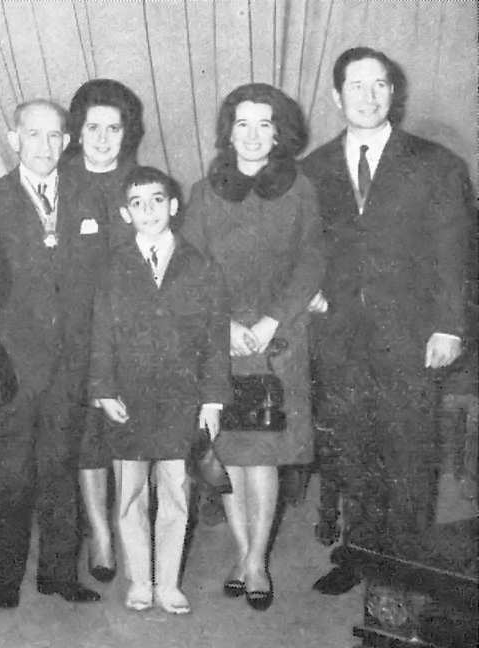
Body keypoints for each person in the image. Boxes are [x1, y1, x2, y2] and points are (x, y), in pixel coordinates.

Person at [302, 47, 472, 595]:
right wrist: (308, 293)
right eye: (356, 86)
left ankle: (408, 568)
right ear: (337, 96)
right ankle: (360, 557)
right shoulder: (312, 170)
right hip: (341, 337)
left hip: (413, 337)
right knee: (354, 451)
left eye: (379, 85)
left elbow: (454, 254)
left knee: (409, 453)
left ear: (393, 93)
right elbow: (302, 250)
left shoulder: (437, 163)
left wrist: (449, 327)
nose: (369, 96)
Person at [183, 83, 323, 611]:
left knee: (262, 457)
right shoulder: (204, 192)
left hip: (277, 339)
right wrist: (220, 326)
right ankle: (243, 554)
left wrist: (270, 320)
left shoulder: (300, 188)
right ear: (229, 131)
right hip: (220, 340)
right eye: (242, 123)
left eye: (265, 124)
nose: (253, 134)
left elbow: (312, 259)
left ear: (280, 133)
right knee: (230, 454)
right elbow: (190, 267)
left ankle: (257, 560)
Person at [0, 99, 103, 610]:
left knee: (60, 468)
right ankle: (4, 577)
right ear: (14, 139)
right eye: (33, 134)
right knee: (9, 473)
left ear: (67, 142)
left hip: (70, 361)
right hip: (13, 362)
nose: (45, 146)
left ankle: (59, 572)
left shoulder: (88, 197)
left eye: (55, 136)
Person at [90, 166, 229, 614]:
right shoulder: (112, 266)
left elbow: (215, 337)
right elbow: (101, 331)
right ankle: (140, 580)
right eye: (137, 203)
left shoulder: (201, 265)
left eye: (156, 200)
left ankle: (168, 582)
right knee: (129, 493)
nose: (148, 210)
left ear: (173, 206)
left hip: (180, 399)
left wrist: (211, 400)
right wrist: (103, 388)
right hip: (128, 396)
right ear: (125, 213)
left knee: (175, 492)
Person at [61, 78, 145, 583]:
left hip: (132, 334)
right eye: (93, 127)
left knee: (128, 434)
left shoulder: (142, 183)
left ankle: (128, 524)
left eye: (113, 128)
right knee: (88, 439)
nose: (102, 138)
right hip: (75, 335)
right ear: (77, 131)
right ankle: (100, 535)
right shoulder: (60, 181)